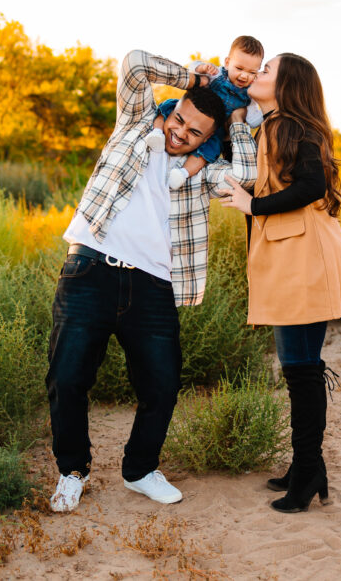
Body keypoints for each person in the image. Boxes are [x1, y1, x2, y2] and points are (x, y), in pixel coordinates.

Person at [46, 49, 257, 513]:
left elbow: (247, 172)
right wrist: (195, 77)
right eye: (179, 120)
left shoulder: (201, 172)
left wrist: (237, 117)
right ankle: (72, 471)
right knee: (67, 378)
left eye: (194, 132)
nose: (180, 133)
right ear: (172, 109)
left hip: (153, 287)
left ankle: (140, 471)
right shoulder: (137, 123)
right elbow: (136, 64)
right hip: (90, 269)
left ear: (209, 139)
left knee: (161, 385)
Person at [219, 53, 341, 513]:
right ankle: (305, 467)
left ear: (286, 85)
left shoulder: (288, 125)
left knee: (300, 368)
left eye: (266, 71)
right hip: (292, 251)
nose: (256, 75)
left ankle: (308, 470)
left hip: (301, 255)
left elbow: (312, 185)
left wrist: (252, 205)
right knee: (299, 365)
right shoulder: (277, 124)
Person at [167, 35, 265, 190]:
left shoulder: (250, 95)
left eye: (252, 72)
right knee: (168, 107)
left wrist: (264, 104)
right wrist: (202, 68)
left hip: (215, 132)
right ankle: (157, 135)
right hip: (192, 117)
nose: (244, 76)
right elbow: (191, 67)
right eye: (239, 68)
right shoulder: (217, 74)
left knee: (208, 152)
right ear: (227, 63)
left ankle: (183, 173)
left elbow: (253, 121)